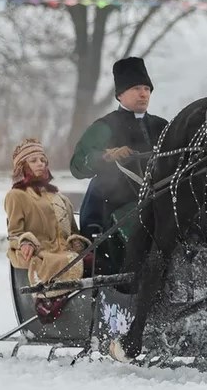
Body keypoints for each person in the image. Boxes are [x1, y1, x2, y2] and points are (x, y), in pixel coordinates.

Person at [70, 57, 168, 274]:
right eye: (136, 88)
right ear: (120, 94)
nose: (143, 94)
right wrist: (106, 155)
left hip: (159, 202)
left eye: (147, 88)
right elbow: (77, 166)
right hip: (111, 206)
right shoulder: (105, 127)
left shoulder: (163, 126)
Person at [4, 138, 91, 319]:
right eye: (34, 160)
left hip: (67, 253)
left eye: (43, 160)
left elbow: (74, 232)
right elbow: (14, 234)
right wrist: (26, 242)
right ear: (22, 165)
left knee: (103, 262)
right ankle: (56, 309)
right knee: (70, 261)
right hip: (43, 255)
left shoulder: (59, 197)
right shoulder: (16, 196)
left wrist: (77, 242)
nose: (40, 164)